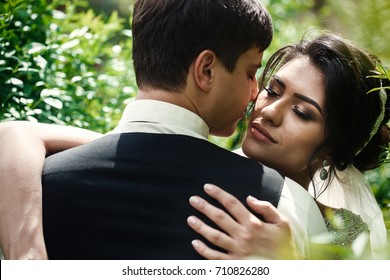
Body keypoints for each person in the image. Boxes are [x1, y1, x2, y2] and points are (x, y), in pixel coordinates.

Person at [0, 0, 328, 260]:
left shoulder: (22, 190)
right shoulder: (283, 209)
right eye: (249, 72)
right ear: (207, 70)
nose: (255, 93)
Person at [186, 33, 390, 260]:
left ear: (332, 149)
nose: (270, 111)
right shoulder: (198, 175)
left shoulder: (345, 236)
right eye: (272, 91)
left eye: (302, 113)